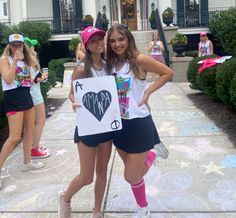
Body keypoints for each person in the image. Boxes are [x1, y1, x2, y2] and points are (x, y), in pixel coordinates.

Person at [106, 24, 173, 217]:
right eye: (113, 41)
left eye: (121, 39)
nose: (117, 44)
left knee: (130, 175)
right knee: (134, 175)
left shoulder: (139, 59)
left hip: (139, 123)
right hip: (117, 125)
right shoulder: (110, 65)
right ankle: (143, 207)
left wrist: (148, 92)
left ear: (128, 39)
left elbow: (167, 73)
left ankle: (152, 153)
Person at [58, 26, 112, 218]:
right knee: (87, 176)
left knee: (103, 171)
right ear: (86, 45)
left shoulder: (108, 66)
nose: (99, 43)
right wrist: (75, 102)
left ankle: (97, 210)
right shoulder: (81, 69)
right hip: (87, 127)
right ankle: (65, 198)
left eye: (100, 39)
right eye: (94, 40)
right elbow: (72, 93)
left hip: (106, 126)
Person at [0, 34, 44, 189]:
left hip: (26, 97)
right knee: (14, 137)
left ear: (23, 45)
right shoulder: (5, 59)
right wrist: (15, 62)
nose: (17, 47)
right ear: (9, 46)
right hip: (13, 99)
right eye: (14, 44)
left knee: (29, 131)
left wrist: (38, 77)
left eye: (19, 44)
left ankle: (27, 162)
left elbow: (27, 81)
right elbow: (8, 80)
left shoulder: (26, 60)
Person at [24, 37, 51, 159]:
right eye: (33, 46)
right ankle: (33, 149)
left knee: (37, 122)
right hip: (34, 95)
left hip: (34, 94)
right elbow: (27, 80)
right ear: (29, 47)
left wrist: (41, 77)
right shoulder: (27, 62)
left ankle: (34, 146)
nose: (35, 48)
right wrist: (40, 78)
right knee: (40, 121)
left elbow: (33, 78)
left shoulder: (29, 61)